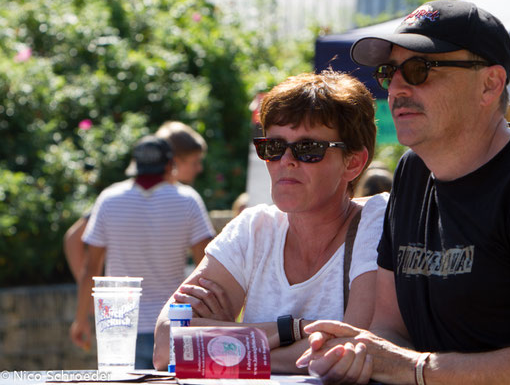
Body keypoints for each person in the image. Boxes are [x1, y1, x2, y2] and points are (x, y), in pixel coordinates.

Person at [297, 0, 510, 384]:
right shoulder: (413, 172)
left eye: (420, 69)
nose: (397, 88)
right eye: (389, 72)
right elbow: (390, 329)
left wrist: (417, 368)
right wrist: (358, 354)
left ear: (490, 84)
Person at [153, 70, 388, 373]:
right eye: (273, 147)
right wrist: (293, 330)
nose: (286, 161)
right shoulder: (253, 229)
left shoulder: (375, 221)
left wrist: (223, 343)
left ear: (353, 163)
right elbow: (166, 346)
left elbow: (350, 348)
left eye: (308, 149)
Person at [70, 135, 215, 369]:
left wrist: (81, 319)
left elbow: (91, 267)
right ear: (169, 165)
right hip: (172, 324)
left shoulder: (109, 199)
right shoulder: (188, 200)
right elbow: (205, 267)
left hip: (119, 325)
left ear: (135, 165)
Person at [63, 121, 208, 282]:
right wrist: (95, 289)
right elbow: (74, 239)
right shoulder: (124, 198)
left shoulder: (118, 196)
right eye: (195, 161)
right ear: (173, 161)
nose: (199, 168)